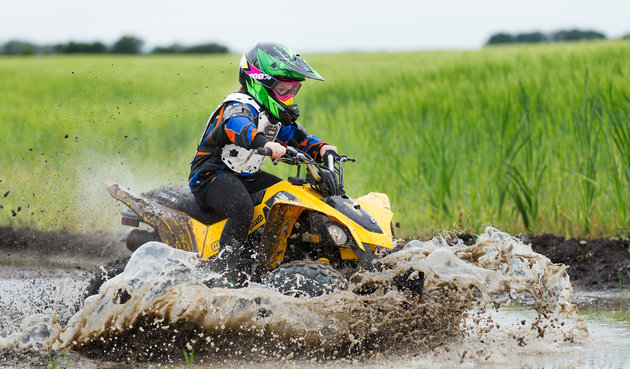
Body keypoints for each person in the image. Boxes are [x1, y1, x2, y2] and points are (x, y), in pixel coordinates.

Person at [188, 42, 338, 286]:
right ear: (259, 82)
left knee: (288, 197)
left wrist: (321, 148)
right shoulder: (237, 106)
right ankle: (224, 271)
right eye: (282, 90)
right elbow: (237, 126)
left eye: (292, 91)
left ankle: (278, 258)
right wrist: (263, 143)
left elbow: (300, 138)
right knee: (241, 206)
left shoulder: (274, 115)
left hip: (245, 176)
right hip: (211, 175)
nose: (288, 97)